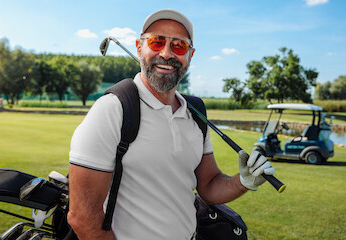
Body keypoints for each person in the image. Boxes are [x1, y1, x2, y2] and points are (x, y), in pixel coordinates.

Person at [67, 9, 275, 240]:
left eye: (179, 46)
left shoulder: (196, 114)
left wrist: (243, 181)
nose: (166, 54)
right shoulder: (113, 109)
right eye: (156, 42)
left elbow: (208, 186)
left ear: (190, 55)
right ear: (139, 47)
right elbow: (83, 217)